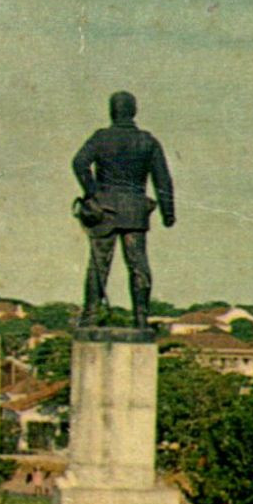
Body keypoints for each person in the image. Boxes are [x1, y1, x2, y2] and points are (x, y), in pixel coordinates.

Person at [72, 91, 175, 330]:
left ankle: (90, 316)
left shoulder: (101, 138)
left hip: (104, 210)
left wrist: (92, 193)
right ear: (134, 111)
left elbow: (79, 163)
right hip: (135, 210)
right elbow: (163, 180)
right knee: (138, 264)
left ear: (112, 111)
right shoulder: (148, 141)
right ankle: (141, 318)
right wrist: (168, 213)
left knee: (99, 265)